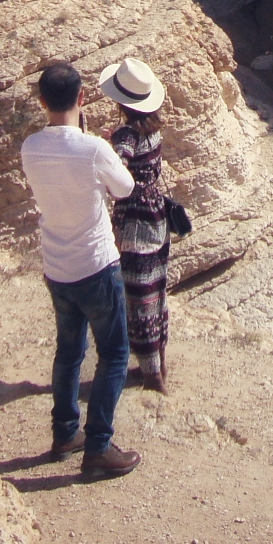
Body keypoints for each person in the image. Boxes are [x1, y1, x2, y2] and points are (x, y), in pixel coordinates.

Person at [19, 60, 141, 478]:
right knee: (114, 354)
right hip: (96, 265)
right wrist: (96, 144)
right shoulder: (93, 149)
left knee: (69, 353)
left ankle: (64, 433)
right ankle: (98, 449)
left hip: (56, 267)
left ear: (41, 102)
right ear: (82, 97)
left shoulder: (30, 146)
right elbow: (124, 188)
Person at [99, 56, 171, 393]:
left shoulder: (126, 134)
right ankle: (159, 360)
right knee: (156, 290)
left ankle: (151, 375)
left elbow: (120, 173)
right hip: (157, 213)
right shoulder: (154, 130)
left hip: (136, 221)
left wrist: (109, 151)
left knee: (139, 294)